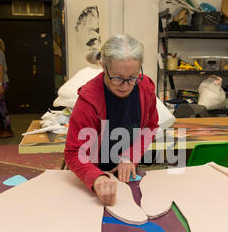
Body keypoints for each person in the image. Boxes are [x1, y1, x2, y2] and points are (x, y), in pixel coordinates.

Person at [64, 34, 159, 206]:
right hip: (94, 175)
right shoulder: (88, 101)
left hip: (127, 174)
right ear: (103, 67)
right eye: (117, 78)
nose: (125, 86)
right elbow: (73, 153)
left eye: (132, 78)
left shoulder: (145, 87)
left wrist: (129, 156)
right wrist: (96, 177)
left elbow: (150, 126)